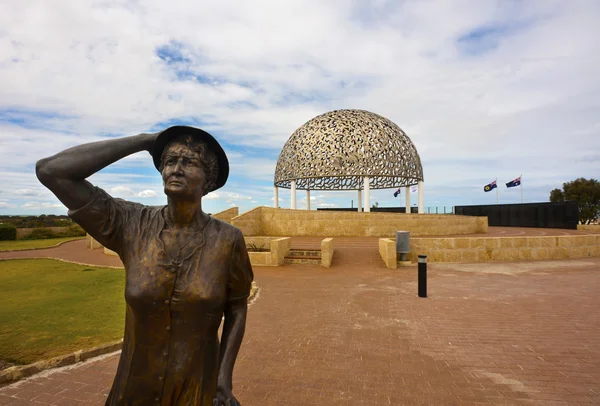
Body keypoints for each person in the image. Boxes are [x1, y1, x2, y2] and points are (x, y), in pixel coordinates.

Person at [36, 126, 253, 406]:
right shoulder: (130, 224)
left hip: (197, 388)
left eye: (190, 162)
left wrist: (223, 381)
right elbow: (51, 171)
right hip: (134, 388)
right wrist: (145, 141)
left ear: (208, 180)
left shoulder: (228, 240)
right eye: (170, 160)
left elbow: (236, 307)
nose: (176, 168)